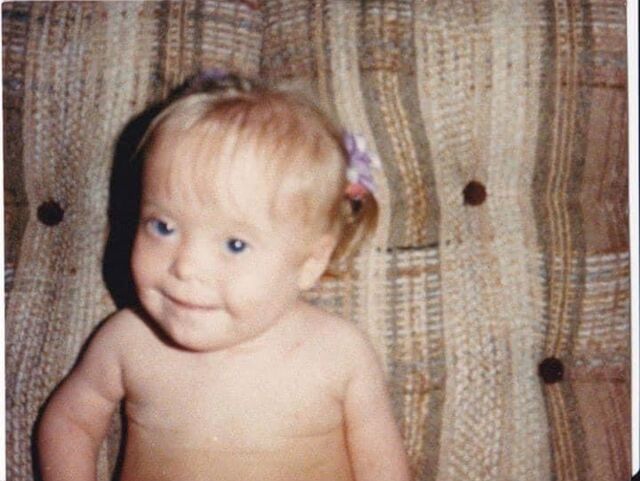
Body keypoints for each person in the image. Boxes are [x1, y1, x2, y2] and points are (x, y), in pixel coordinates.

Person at [37, 71, 411, 481]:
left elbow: (384, 468)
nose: (186, 266)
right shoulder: (128, 340)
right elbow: (70, 422)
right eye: (163, 226)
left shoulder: (339, 352)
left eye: (235, 244)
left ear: (310, 262)